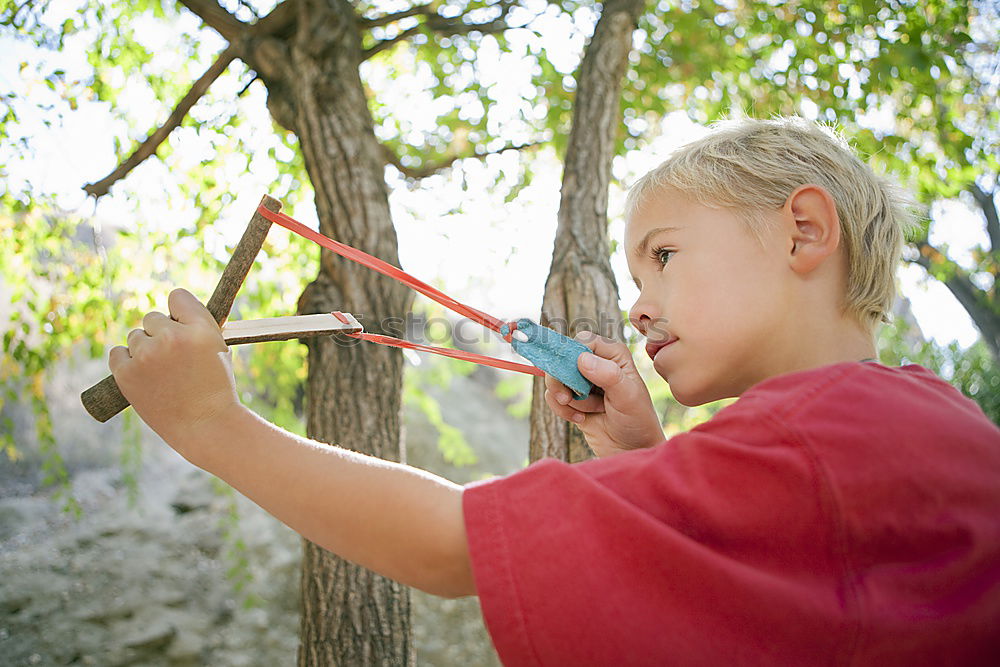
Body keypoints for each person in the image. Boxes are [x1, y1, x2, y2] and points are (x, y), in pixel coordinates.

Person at [109, 117, 1000, 666]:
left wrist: (209, 423)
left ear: (803, 230)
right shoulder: (930, 424)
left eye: (664, 252)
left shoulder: (812, 438)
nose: (640, 302)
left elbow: (450, 548)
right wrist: (648, 463)